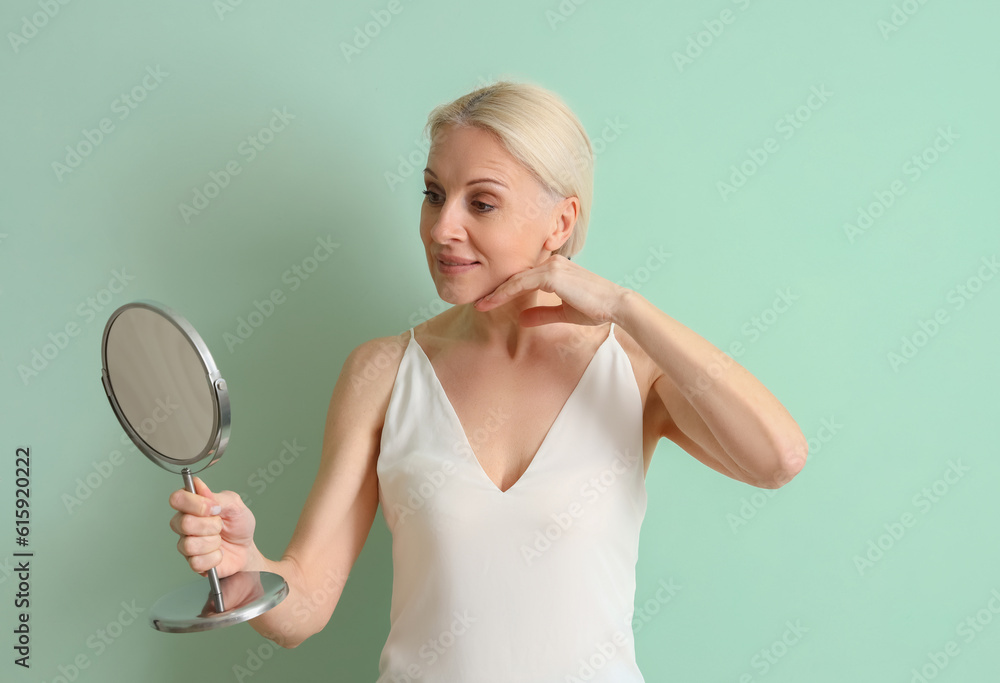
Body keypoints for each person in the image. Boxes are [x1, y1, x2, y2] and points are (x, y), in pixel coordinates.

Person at [168, 80, 808, 680]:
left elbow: (777, 459)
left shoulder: (635, 369)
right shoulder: (382, 373)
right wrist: (245, 570)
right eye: (433, 193)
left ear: (560, 223)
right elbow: (302, 609)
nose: (443, 228)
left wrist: (623, 306)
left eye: (483, 202)